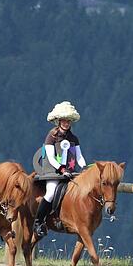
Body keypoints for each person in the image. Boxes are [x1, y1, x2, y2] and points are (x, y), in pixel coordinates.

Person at [32, 101, 87, 239]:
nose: (66, 123)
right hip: (53, 173)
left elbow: (79, 156)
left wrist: (84, 167)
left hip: (69, 173)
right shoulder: (52, 136)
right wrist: (61, 169)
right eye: (64, 120)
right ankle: (38, 222)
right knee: (51, 193)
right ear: (59, 121)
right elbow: (50, 157)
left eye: (68, 121)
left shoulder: (74, 138)